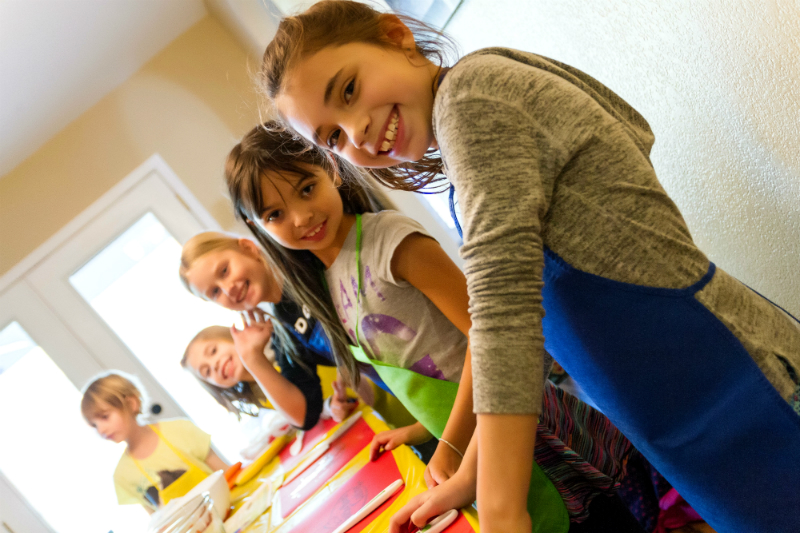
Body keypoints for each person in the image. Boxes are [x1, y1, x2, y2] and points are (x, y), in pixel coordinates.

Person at [259, 2, 800, 532]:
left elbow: (503, 306)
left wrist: (500, 503)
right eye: (331, 137)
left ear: (397, 34)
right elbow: (529, 324)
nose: (355, 131)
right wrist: (471, 473)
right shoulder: (462, 122)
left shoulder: (474, 98)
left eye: (349, 90)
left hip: (735, 387)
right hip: (674, 414)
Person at [222, 123, 652, 533]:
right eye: (276, 214)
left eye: (306, 188)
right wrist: (421, 432)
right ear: (257, 227)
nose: (300, 217)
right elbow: (432, 368)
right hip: (469, 450)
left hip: (519, 427)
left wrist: (449, 449)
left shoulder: (389, 239)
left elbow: (491, 340)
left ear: (331, 169)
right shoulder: (324, 283)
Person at [179, 232, 415, 431]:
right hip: (412, 406)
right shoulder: (284, 328)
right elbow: (304, 415)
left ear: (248, 248)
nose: (227, 289)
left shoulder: (306, 258)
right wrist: (253, 359)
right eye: (214, 293)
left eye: (224, 271)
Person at [81, 372, 227, 513]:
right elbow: (158, 519)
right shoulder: (122, 475)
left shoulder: (181, 429)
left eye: (104, 417)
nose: (100, 429)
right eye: (94, 425)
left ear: (131, 404)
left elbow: (226, 474)